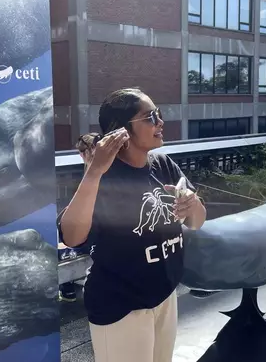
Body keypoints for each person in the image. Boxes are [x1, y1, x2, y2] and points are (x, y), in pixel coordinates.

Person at [58, 88, 207, 362]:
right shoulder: (104, 176)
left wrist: (192, 205)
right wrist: (93, 172)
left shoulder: (164, 164)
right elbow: (71, 236)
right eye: (150, 117)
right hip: (121, 307)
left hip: (165, 296)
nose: (160, 122)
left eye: (159, 114)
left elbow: (197, 222)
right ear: (123, 131)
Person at [58, 133, 100, 302]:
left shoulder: (90, 177)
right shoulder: (113, 170)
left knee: (64, 248)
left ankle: (67, 288)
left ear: (84, 154)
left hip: (93, 239)